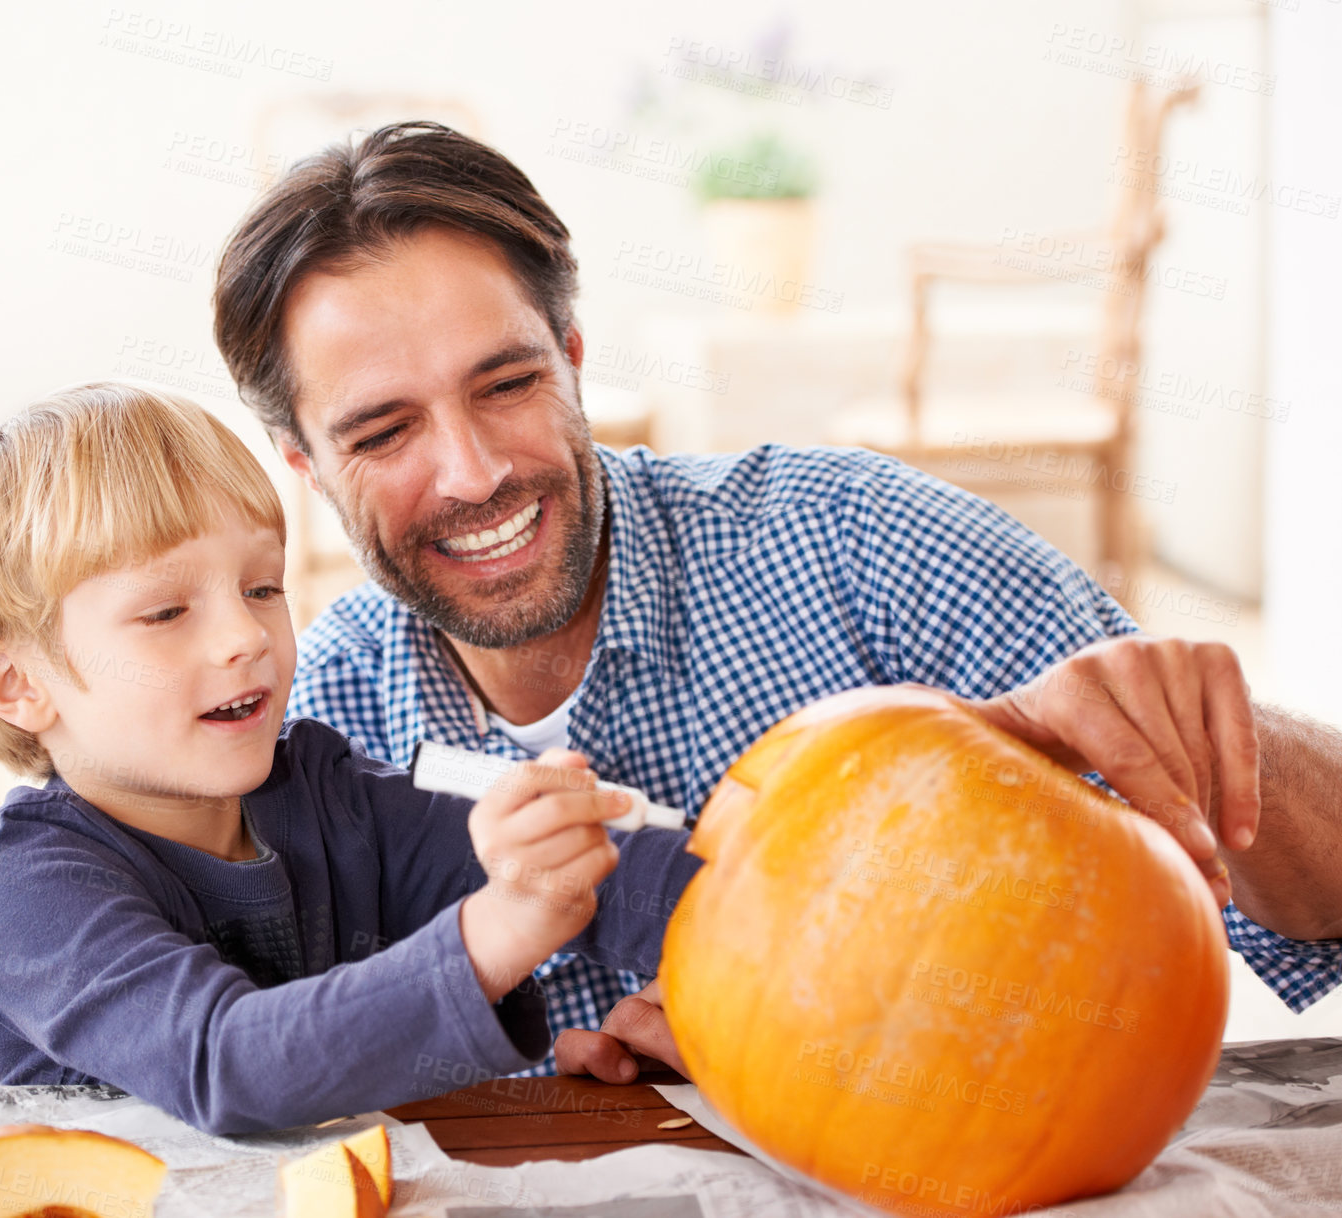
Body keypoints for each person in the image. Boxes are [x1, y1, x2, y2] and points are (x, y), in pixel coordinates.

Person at [210, 121, 1342, 1076]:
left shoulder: (857, 548)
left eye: (506, 384)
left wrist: (1215, 739)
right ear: (302, 460)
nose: (472, 473)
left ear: (572, 355)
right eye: (384, 431)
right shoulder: (312, 722)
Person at [0, 381, 706, 1133]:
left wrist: (738, 940)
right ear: (15, 684)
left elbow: (605, 877)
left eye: (261, 588)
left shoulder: (332, 794)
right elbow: (228, 1062)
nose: (246, 637)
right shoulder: (35, 891)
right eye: (165, 611)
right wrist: (500, 928)